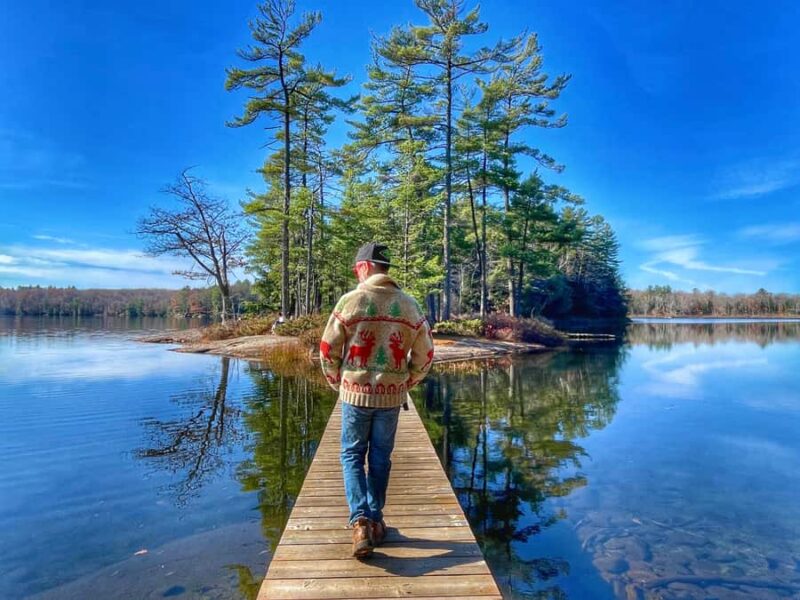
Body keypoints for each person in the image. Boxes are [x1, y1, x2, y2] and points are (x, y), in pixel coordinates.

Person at [319, 242, 435, 558]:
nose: (356, 274)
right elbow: (426, 353)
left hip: (355, 396)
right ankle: (377, 519)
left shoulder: (350, 301)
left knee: (352, 455)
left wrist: (337, 382)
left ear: (367, 267)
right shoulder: (409, 305)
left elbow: (328, 349)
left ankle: (360, 522)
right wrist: (407, 381)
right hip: (391, 397)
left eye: (358, 268)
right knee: (381, 457)